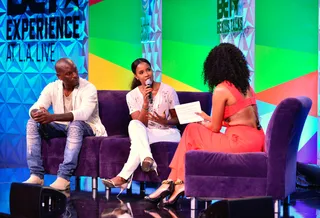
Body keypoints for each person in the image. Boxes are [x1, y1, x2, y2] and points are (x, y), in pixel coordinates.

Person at [145, 43, 265, 206]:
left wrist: (202, 124)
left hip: (239, 143)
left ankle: (173, 182)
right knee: (194, 135)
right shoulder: (246, 86)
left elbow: (215, 128)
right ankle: (177, 183)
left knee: (192, 130)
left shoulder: (221, 89)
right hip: (257, 140)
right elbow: (238, 118)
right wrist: (206, 118)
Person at [24, 58, 107, 191]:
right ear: (60, 76)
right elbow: (37, 105)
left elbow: (84, 114)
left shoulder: (88, 87)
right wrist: (36, 113)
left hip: (87, 126)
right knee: (32, 122)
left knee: (75, 125)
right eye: (69, 73)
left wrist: (52, 117)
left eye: (75, 71)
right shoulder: (52, 87)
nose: (74, 75)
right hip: (60, 126)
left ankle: (64, 177)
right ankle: (36, 174)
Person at [102, 58, 181, 194]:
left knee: (138, 142)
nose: (146, 74)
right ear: (136, 76)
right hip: (146, 132)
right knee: (134, 124)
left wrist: (165, 121)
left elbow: (178, 119)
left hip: (168, 132)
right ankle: (146, 158)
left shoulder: (168, 90)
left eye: (148, 70)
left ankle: (124, 177)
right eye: (141, 72)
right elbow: (140, 124)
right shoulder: (132, 96)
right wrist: (145, 103)